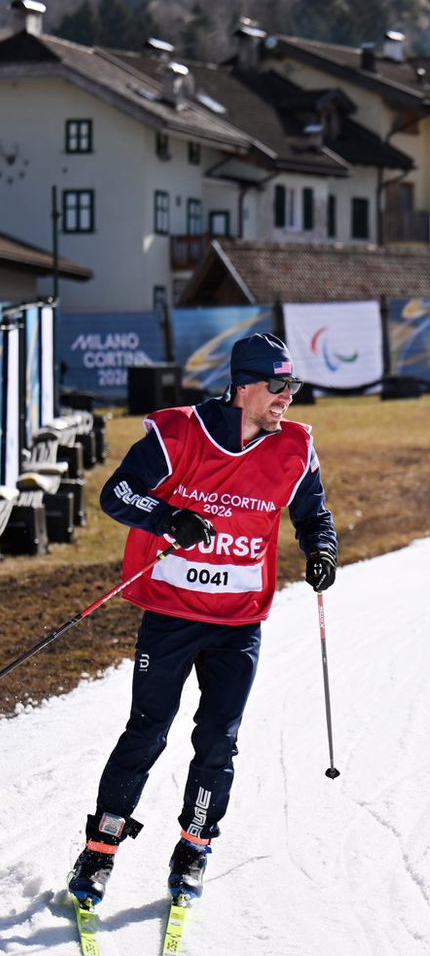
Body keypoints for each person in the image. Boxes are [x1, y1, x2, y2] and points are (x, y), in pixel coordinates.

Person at [67, 332, 338, 906]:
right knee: (147, 733)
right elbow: (117, 494)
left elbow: (315, 515)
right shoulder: (179, 433)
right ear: (243, 387)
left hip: (239, 623)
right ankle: (100, 851)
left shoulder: (294, 448)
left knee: (218, 742)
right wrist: (170, 520)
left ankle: (194, 847)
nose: (287, 398)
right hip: (172, 615)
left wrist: (322, 551)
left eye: (293, 386)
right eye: (278, 386)